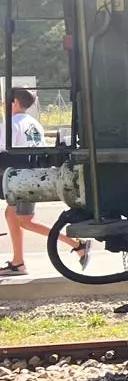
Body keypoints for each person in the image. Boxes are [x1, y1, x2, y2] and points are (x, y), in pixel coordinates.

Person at [2, 88, 88, 276]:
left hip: (19, 179)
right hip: (34, 175)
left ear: (14, 102)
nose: (2, 105)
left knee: (24, 220)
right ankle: (18, 262)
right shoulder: (35, 124)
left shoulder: (10, 124)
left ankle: (76, 244)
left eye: (4, 101)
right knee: (13, 215)